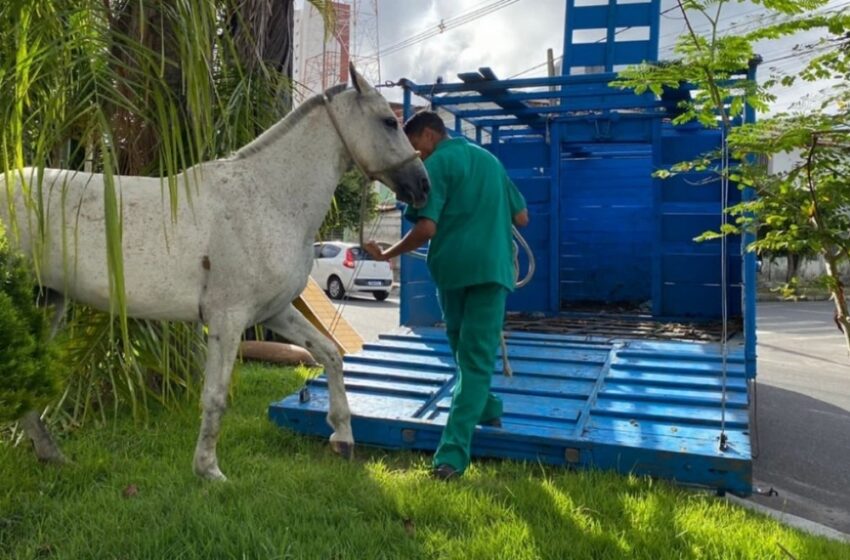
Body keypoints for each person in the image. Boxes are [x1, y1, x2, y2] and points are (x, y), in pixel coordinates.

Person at [363, 110, 529, 480]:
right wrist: (490, 211)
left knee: (468, 359)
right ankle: (487, 405)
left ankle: (451, 455)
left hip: (454, 271)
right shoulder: (491, 162)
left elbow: (426, 228)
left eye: (413, 144)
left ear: (427, 135)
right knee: (471, 356)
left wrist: (387, 254)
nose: (413, 154)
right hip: (492, 270)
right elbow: (522, 219)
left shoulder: (436, 166)